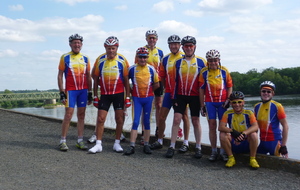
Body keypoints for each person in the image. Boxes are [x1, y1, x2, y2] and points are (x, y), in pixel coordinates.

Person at [165, 36, 206, 158]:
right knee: (176, 119)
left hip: (195, 96)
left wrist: (203, 102)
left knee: (196, 121)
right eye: (186, 46)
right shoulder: (178, 62)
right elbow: (174, 81)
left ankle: (198, 147)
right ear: (182, 48)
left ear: (195, 47)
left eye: (191, 46)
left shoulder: (201, 62)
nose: (188, 48)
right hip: (181, 95)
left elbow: (205, 82)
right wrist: (174, 97)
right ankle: (172, 146)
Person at [88, 36, 130, 154]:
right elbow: (95, 79)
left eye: (113, 48)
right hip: (105, 94)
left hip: (119, 94)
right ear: (105, 48)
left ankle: (117, 143)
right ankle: (98, 144)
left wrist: (127, 97)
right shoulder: (100, 59)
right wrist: (95, 95)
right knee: (101, 119)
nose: (110, 51)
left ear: (117, 48)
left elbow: (127, 80)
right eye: (108, 48)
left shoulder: (122, 60)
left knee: (119, 119)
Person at [150, 35, 190, 152]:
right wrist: (166, 88)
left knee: (185, 116)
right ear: (169, 46)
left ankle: (186, 142)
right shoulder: (165, 59)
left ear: (180, 45)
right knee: (162, 117)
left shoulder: (184, 57)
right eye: (171, 44)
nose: (174, 46)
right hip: (169, 92)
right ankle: (160, 140)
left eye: (176, 44)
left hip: (182, 93)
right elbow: (162, 76)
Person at [57, 33, 92, 151]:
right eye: (74, 43)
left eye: (79, 43)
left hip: (83, 90)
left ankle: (80, 141)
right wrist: (62, 91)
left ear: (81, 45)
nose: (77, 45)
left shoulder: (86, 58)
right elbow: (60, 75)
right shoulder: (65, 57)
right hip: (71, 90)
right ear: (70, 44)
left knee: (81, 115)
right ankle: (62, 141)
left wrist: (90, 92)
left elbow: (88, 76)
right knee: (68, 115)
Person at [124, 47, 160, 155]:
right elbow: (126, 82)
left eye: (145, 57)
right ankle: (132, 145)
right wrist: (130, 93)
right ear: (137, 57)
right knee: (135, 121)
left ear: (147, 58)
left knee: (146, 122)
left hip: (148, 99)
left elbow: (157, 84)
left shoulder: (151, 69)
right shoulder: (132, 69)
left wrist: (149, 92)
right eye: (140, 57)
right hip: (137, 99)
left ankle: (146, 144)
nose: (143, 59)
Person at [199, 49, 233, 162]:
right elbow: (201, 90)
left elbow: (229, 86)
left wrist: (229, 99)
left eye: (215, 60)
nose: (213, 63)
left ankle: (224, 151)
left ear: (219, 60)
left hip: (222, 103)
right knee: (212, 127)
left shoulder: (224, 71)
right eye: (210, 61)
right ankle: (214, 151)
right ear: (207, 61)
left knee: (223, 128)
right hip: (210, 103)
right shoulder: (204, 72)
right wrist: (202, 105)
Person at [218, 91, 260, 169]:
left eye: (239, 102)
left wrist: (244, 133)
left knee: (254, 134)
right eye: (234, 102)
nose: (237, 104)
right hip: (234, 141)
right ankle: (231, 158)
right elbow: (220, 127)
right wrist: (232, 131)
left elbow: (255, 126)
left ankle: (253, 159)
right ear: (231, 103)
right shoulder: (227, 113)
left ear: (243, 102)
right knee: (222, 134)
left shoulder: (249, 113)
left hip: (246, 141)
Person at [254, 81, 289, 158]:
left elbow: (285, 126)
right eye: (263, 91)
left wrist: (283, 145)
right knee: (256, 160)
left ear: (273, 94)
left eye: (269, 91)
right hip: (262, 141)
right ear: (260, 92)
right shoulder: (256, 106)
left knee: (279, 166)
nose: (266, 93)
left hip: (275, 142)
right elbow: (255, 126)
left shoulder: (277, 106)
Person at [141, 30, 164, 143]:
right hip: (145, 82)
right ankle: (144, 132)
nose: (151, 40)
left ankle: (158, 130)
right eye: (149, 38)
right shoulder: (142, 50)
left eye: (153, 38)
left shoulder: (160, 52)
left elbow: (162, 68)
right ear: (146, 39)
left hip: (158, 82)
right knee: (146, 107)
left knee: (159, 106)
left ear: (157, 39)